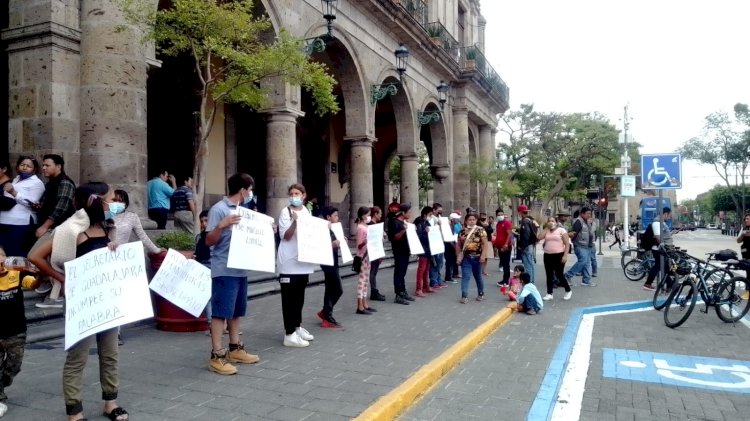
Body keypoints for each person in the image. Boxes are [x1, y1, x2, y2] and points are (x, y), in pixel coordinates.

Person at [28, 182, 129, 421]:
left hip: (106, 299)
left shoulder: (105, 225)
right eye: (111, 199)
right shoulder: (70, 229)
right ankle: (74, 411)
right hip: (82, 303)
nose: (116, 204)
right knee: (78, 357)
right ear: (96, 201)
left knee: (110, 353)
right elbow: (35, 255)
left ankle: (110, 403)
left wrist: (113, 248)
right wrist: (62, 279)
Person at [205, 173, 261, 375]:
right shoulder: (218, 210)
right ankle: (217, 355)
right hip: (223, 269)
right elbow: (209, 241)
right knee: (220, 311)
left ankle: (235, 347)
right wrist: (222, 225)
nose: (251, 194)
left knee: (237, 310)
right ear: (243, 190)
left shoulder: (244, 211)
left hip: (240, 268)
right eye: (250, 190)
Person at [277, 183, 317, 347]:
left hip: (303, 262)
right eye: (291, 193)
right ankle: (289, 334)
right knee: (289, 299)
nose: (294, 196)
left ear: (303, 195)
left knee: (299, 297)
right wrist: (294, 222)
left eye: (297, 193)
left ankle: (297, 327)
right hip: (288, 263)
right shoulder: (285, 212)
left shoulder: (307, 211)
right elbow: (285, 236)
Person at [31, 154, 76, 298]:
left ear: (58, 166)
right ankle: (51, 283)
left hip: (57, 228)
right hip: (51, 227)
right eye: (43, 165)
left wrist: (45, 226)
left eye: (47, 165)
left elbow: (61, 208)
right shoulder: (51, 183)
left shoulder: (65, 182)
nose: (43, 168)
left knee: (34, 256)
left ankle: (61, 280)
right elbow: (51, 204)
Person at [0, 246, 26, 419]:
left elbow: (32, 282)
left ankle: (2, 383)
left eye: (1, 254)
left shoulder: (16, 272)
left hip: (15, 331)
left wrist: (33, 272)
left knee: (14, 365)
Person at [0, 156, 45, 257]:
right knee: (4, 253)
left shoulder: (37, 183)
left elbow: (33, 203)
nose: (24, 167)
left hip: (20, 222)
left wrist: (14, 192)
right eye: (22, 165)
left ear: (34, 169)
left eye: (28, 166)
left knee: (17, 253)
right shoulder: (16, 179)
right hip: (4, 221)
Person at [111, 190, 162, 256]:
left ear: (126, 203)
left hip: (122, 254)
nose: (117, 203)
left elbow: (142, 236)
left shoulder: (132, 216)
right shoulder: (104, 216)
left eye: (120, 201)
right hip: (104, 254)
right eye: (114, 200)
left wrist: (156, 250)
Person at [317, 206, 344, 327]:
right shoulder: (323, 229)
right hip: (328, 263)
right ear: (328, 217)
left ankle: (326, 315)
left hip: (334, 262)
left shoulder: (334, 229)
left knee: (329, 289)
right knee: (338, 290)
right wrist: (332, 244)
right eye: (335, 216)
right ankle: (326, 312)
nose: (337, 218)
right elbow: (320, 245)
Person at [456, 212, 487, 303]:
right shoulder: (462, 232)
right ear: (466, 221)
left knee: (478, 276)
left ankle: (481, 293)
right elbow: (458, 245)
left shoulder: (481, 230)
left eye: (474, 220)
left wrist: (483, 256)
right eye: (470, 220)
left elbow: (485, 244)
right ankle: (464, 295)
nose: (472, 221)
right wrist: (458, 256)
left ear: (476, 220)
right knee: (466, 276)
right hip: (466, 258)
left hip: (477, 257)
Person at [539, 216, 572, 301]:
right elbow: (539, 237)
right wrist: (547, 228)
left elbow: (567, 243)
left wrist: (565, 255)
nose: (551, 222)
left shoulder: (561, 230)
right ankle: (549, 293)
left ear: (556, 222)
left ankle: (568, 290)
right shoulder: (547, 230)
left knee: (559, 274)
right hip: (547, 254)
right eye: (549, 221)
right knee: (549, 274)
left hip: (559, 254)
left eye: (553, 221)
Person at [387, 204, 415, 305]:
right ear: (403, 213)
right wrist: (404, 230)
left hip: (405, 250)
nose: (410, 214)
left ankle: (403, 292)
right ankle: (398, 295)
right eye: (409, 212)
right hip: (399, 251)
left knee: (403, 272)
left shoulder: (404, 222)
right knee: (399, 273)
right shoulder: (394, 222)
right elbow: (395, 237)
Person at [643, 207, 675, 291]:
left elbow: (663, 234)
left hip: (661, 248)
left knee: (664, 267)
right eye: (669, 215)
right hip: (659, 249)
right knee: (658, 266)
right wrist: (663, 245)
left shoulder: (661, 223)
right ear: (665, 214)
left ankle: (669, 284)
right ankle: (648, 283)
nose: (669, 217)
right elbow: (657, 236)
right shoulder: (657, 223)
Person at [564, 207, 596, 287]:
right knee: (583, 261)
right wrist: (575, 243)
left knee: (587, 263)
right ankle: (567, 275)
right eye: (587, 213)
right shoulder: (578, 222)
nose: (589, 215)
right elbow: (574, 234)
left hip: (588, 246)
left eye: (590, 214)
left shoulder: (587, 222)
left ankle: (586, 280)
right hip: (580, 245)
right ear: (582, 214)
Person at [355, 206, 376, 314]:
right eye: (367, 214)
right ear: (362, 215)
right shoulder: (360, 228)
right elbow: (359, 245)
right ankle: (359, 305)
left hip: (368, 255)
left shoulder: (366, 226)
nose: (369, 216)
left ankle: (365, 303)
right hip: (362, 256)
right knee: (362, 281)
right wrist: (366, 241)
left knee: (366, 280)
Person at [414, 206, 434, 297]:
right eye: (430, 214)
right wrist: (425, 232)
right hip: (422, 248)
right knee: (421, 269)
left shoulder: (427, 222)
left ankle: (426, 286)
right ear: (425, 213)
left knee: (427, 268)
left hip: (429, 248)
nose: (431, 216)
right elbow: (417, 236)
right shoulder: (419, 222)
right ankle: (418, 289)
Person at [368, 206, 386, 301]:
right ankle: (374, 292)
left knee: (374, 272)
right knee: (373, 272)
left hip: (377, 251)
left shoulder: (375, 224)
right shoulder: (371, 224)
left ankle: (374, 291)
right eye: (380, 213)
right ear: (375, 214)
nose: (381, 215)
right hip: (374, 251)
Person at [516, 205, 538, 282]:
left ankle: (529, 281)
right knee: (530, 263)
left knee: (527, 264)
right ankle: (531, 280)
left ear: (520, 212)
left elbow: (526, 235)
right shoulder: (530, 220)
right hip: (531, 244)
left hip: (527, 245)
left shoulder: (525, 221)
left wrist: (522, 246)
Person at [494, 208, 513, 287]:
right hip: (499, 246)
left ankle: (506, 281)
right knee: (503, 263)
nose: (500, 216)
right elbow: (498, 234)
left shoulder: (507, 223)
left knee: (506, 264)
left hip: (505, 246)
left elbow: (509, 234)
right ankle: (504, 280)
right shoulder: (498, 223)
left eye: (501, 214)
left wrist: (506, 244)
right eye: (498, 215)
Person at [429, 203, 446, 289]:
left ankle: (439, 280)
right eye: (438, 211)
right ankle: (434, 281)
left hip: (440, 242)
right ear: (434, 210)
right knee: (435, 264)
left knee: (440, 263)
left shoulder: (440, 218)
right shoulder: (431, 218)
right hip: (434, 244)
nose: (440, 212)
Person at [444, 212, 461, 283]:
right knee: (449, 261)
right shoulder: (449, 226)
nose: (458, 220)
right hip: (448, 245)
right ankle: (448, 277)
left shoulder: (453, 226)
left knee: (451, 261)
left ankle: (450, 275)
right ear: (453, 219)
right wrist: (454, 246)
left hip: (451, 244)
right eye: (456, 218)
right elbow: (448, 238)